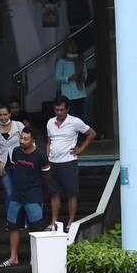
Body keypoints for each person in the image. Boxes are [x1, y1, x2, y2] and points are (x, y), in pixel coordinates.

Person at [45, 97, 96, 233]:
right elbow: (49, 141)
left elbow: (92, 133)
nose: (59, 112)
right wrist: (48, 155)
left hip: (69, 162)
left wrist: (81, 149)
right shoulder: (50, 122)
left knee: (71, 193)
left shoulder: (75, 122)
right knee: (54, 193)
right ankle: (54, 221)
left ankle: (70, 222)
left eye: (62, 110)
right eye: (57, 110)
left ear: (67, 109)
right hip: (53, 163)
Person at [2, 128, 49, 267]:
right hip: (16, 195)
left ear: (33, 140)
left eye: (25, 139)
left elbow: (46, 175)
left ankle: (35, 259)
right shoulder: (16, 152)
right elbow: (15, 167)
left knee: (36, 228)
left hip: (33, 196)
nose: (22, 141)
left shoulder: (40, 156)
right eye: (21, 138)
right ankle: (13, 257)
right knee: (13, 226)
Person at [0, 105, 25, 202]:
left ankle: (22, 216)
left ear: (10, 114)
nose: (3, 117)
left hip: (20, 163)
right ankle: (11, 216)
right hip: (5, 165)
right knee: (9, 193)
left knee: (22, 191)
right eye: (0, 115)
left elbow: (28, 141)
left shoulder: (18, 125)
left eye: (5, 114)